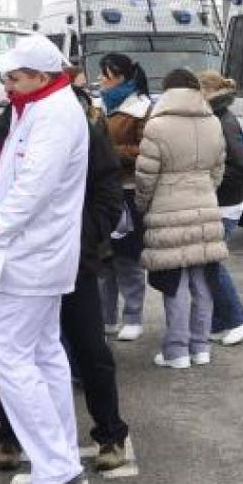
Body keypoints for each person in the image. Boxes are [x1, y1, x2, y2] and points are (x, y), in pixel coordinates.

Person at [0, 77, 138, 477]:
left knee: (88, 349)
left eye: (17, 79)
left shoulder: (80, 130)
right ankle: (8, 435)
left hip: (74, 260)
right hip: (15, 264)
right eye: (7, 80)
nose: (11, 87)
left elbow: (107, 192)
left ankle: (109, 434)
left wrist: (83, 238)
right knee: (22, 353)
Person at [0, 33, 91, 484]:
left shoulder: (55, 113)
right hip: (33, 254)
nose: (8, 85)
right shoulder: (42, 106)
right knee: (42, 356)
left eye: (16, 77)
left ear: (41, 76)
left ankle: (58, 471)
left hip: (29, 255)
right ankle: (56, 466)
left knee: (10, 358)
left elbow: (33, 187)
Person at [134, 68, 227, 369]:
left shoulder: (157, 124)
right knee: (203, 282)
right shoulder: (213, 121)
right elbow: (218, 169)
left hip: (167, 209)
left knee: (175, 283)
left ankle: (177, 351)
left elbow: (146, 175)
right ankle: (201, 347)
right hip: (205, 206)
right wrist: (204, 192)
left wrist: (142, 205)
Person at [198, 71, 243, 346]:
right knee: (208, 264)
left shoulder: (224, 121)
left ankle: (239, 319)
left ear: (206, 92)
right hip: (224, 201)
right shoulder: (217, 118)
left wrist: (213, 183)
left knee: (211, 263)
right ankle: (220, 322)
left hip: (226, 203)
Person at [98, 53, 153, 341]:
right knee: (103, 259)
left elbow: (146, 150)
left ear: (120, 77)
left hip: (128, 191)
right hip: (102, 192)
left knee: (127, 258)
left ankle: (133, 315)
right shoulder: (100, 106)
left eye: (104, 75)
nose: (100, 80)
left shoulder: (142, 108)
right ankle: (106, 317)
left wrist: (108, 152)